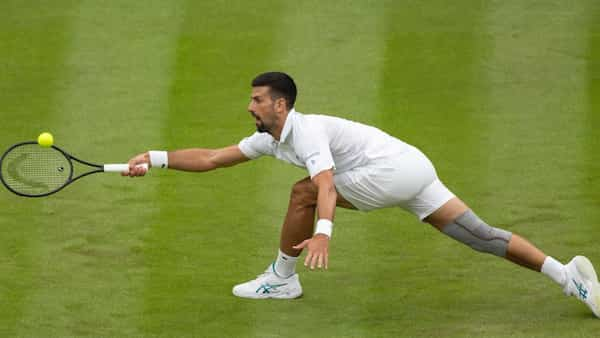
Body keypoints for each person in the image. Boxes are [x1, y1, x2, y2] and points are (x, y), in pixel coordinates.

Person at [124, 71, 599, 317]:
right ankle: (569, 277)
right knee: (479, 236)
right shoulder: (268, 137)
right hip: (414, 166)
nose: (250, 105)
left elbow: (325, 186)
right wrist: (157, 157)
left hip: (390, 170)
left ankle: (282, 279)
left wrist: (324, 234)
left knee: (303, 191)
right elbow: (211, 157)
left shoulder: (306, 133)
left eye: (257, 99)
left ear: (280, 104)